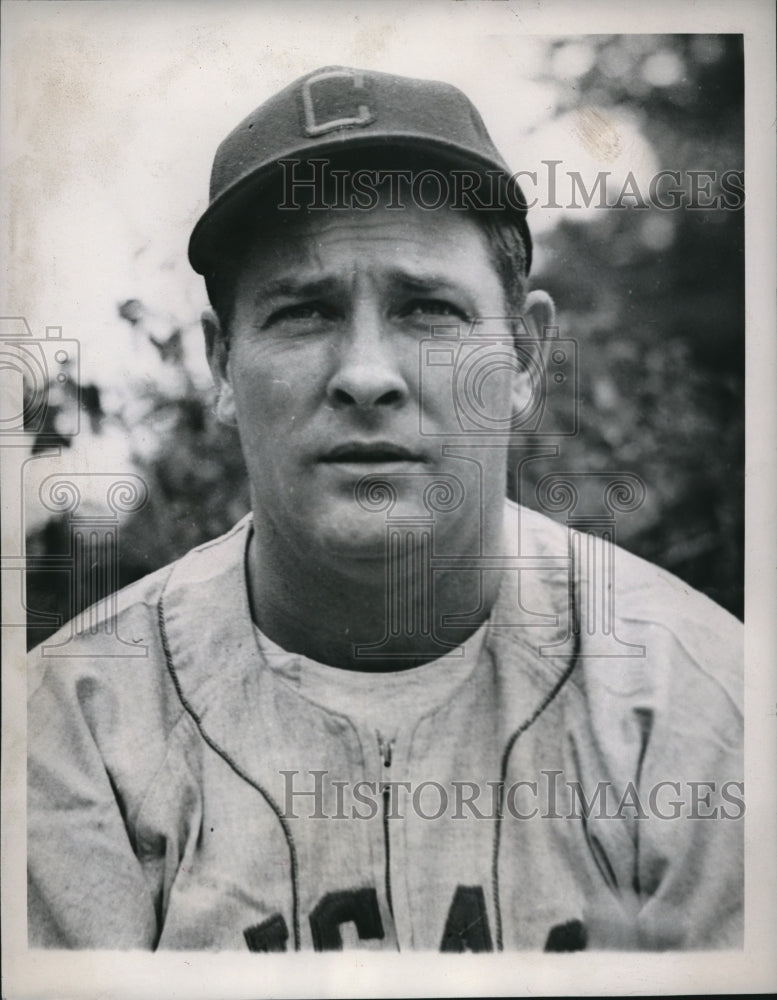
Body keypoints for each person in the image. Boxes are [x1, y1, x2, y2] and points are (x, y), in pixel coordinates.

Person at [27, 66, 743, 952]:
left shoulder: (700, 702)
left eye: (428, 309)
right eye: (302, 311)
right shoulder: (71, 726)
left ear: (521, 357)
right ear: (220, 366)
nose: (365, 373)